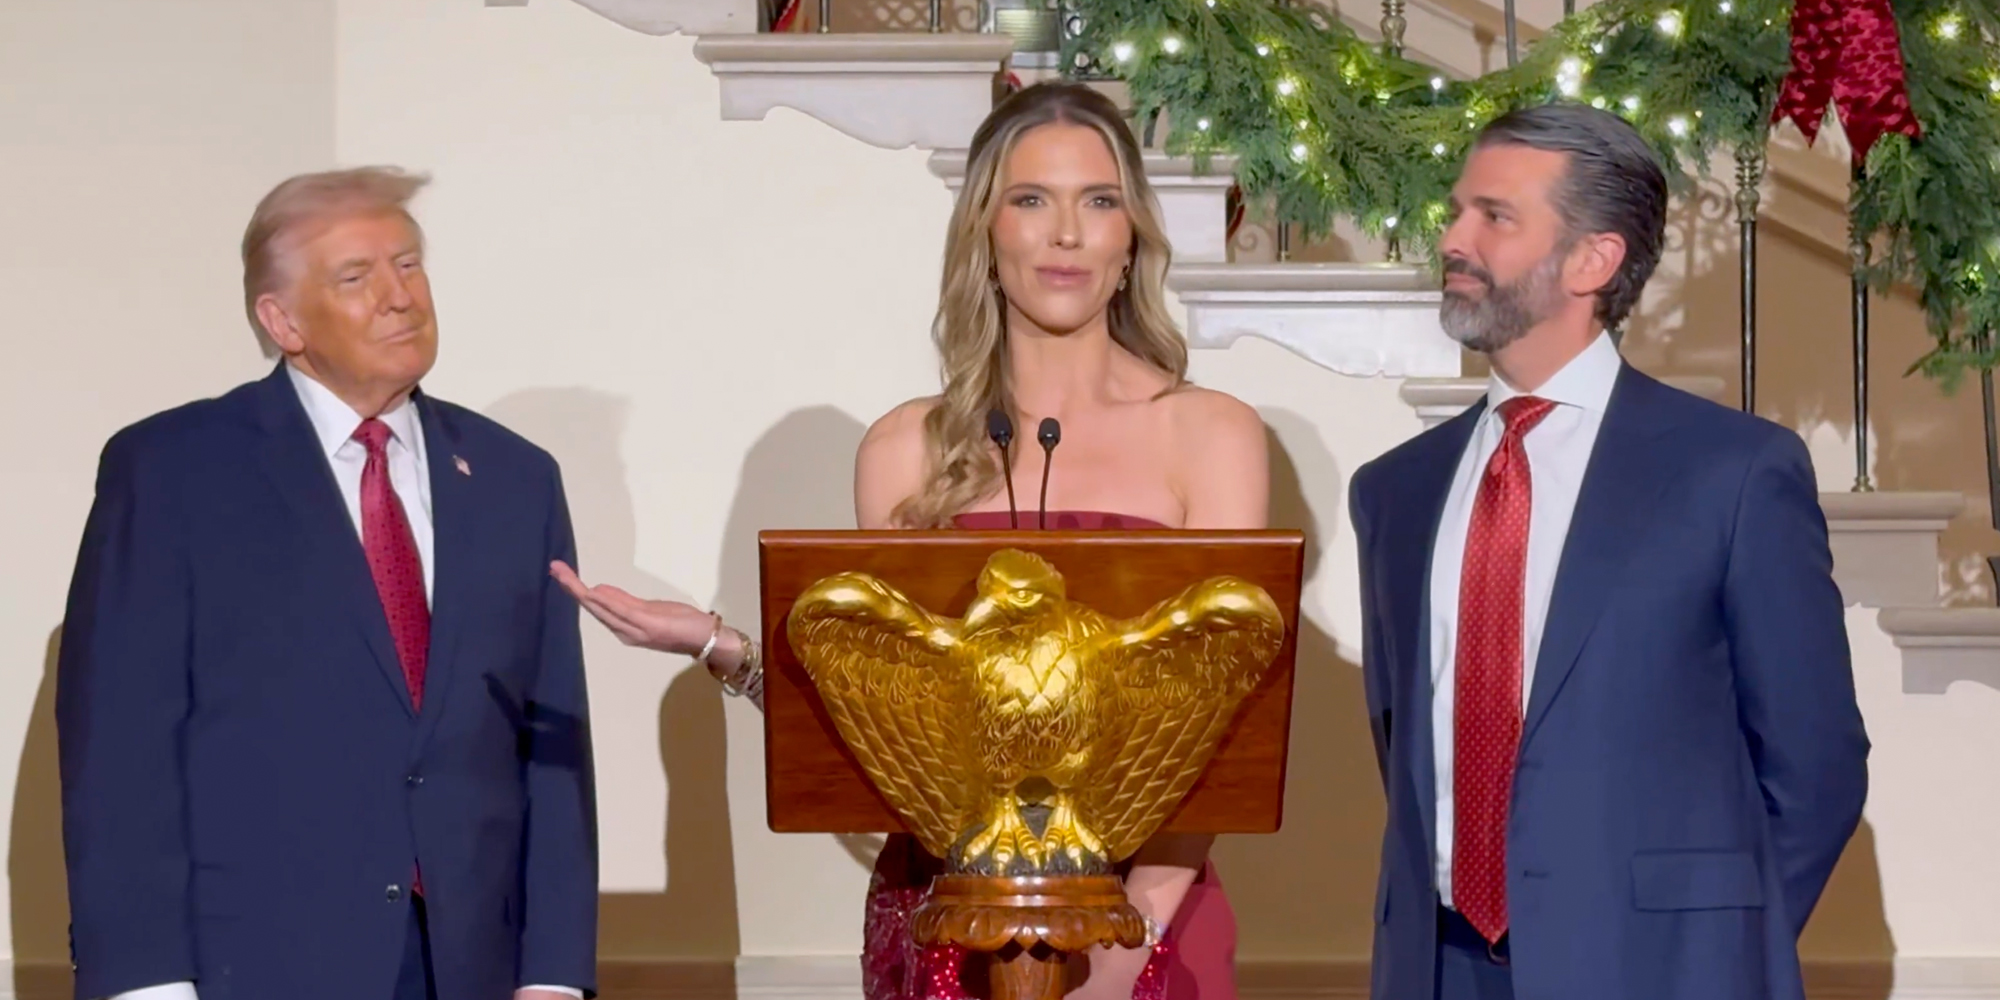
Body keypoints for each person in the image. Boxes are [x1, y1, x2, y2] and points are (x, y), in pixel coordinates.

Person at [552, 82, 1267, 1000]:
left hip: (1152, 924)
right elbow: (890, 717)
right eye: (1031, 200)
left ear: (1130, 239)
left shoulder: (1211, 434)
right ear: (985, 233)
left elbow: (1225, 720)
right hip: (944, 918)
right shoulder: (902, 450)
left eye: (1097, 201)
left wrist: (1128, 944)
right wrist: (721, 647)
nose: (1066, 234)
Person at [1347, 103, 1870, 1000]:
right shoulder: (1395, 490)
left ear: (1593, 260)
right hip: (1436, 969)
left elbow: (1814, 763)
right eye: (1458, 210)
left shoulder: (1734, 474)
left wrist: (1715, 945)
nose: (1453, 239)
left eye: (1494, 216)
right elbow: (1404, 749)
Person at [57, 168, 598, 1000]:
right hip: (254, 965)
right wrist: (145, 981)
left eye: (408, 264)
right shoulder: (173, 470)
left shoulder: (515, 478)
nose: (399, 296)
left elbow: (551, 737)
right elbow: (121, 747)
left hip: (472, 967)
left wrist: (554, 975)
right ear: (282, 321)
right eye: (356, 277)